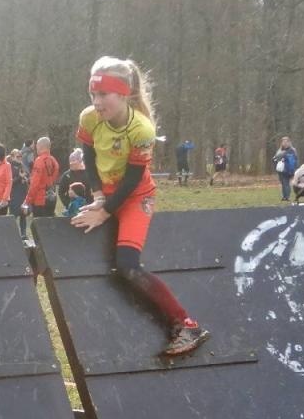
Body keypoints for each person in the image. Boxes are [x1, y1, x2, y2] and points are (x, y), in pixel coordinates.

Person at [71, 55, 206, 357]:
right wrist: (98, 197)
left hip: (135, 197)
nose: (96, 101)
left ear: (124, 94)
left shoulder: (141, 129)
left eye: (103, 94)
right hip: (106, 194)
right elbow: (89, 158)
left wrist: (105, 211)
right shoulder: (89, 118)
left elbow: (132, 180)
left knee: (127, 267)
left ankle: (186, 323)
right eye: (93, 94)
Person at [25, 137, 59, 220]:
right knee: (50, 224)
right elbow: (53, 178)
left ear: (39, 146)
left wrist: (27, 201)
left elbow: (34, 184)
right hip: (51, 198)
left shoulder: (39, 160)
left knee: (39, 227)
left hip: (40, 200)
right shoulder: (54, 160)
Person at [273, 136, 298, 202]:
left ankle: (286, 197)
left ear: (289, 142)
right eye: (283, 142)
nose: (285, 143)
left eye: (286, 142)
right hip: (282, 169)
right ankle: (285, 196)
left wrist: (295, 169)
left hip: (287, 169)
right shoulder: (291, 150)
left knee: (286, 183)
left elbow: (275, 158)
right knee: (284, 183)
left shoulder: (288, 150)